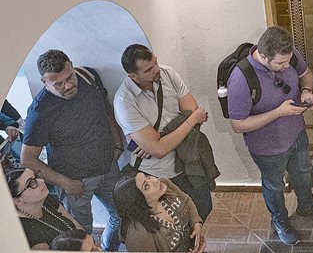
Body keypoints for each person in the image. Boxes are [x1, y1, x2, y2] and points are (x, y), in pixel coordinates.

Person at [226, 26, 313, 245]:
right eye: (281, 64)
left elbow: (306, 75)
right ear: (264, 56)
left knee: (303, 172)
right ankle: (280, 221)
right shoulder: (241, 78)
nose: (287, 66)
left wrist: (306, 91)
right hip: (267, 148)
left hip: (297, 134)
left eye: (288, 61)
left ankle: (306, 205)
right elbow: (238, 125)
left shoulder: (289, 54)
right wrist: (279, 112)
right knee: (274, 185)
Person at [20, 50, 124, 251]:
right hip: (76, 183)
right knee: (80, 235)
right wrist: (66, 183)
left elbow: (104, 108)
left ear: (72, 66)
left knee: (121, 216)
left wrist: (117, 142)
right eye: (58, 83)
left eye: (69, 77)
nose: (67, 85)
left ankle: (106, 248)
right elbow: (27, 159)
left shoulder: (88, 76)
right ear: (44, 81)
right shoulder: (39, 111)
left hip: (107, 168)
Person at [113, 44, 213, 221]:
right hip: (157, 173)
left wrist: (158, 139)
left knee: (203, 207)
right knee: (172, 220)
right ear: (132, 76)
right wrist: (189, 121)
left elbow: (195, 112)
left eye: (155, 62)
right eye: (149, 69)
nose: (157, 70)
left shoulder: (168, 74)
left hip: (188, 161)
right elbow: (159, 151)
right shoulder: (124, 101)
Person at [113, 172, 206, 253]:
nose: (155, 180)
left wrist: (197, 226)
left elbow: (186, 200)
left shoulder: (164, 185)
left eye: (148, 177)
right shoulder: (137, 235)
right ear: (139, 202)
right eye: (146, 186)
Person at [7, 167, 83, 249]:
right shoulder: (28, 233)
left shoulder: (45, 200)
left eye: (36, 176)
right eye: (31, 183)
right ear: (18, 201)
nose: (41, 181)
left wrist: (90, 241)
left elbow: (73, 221)